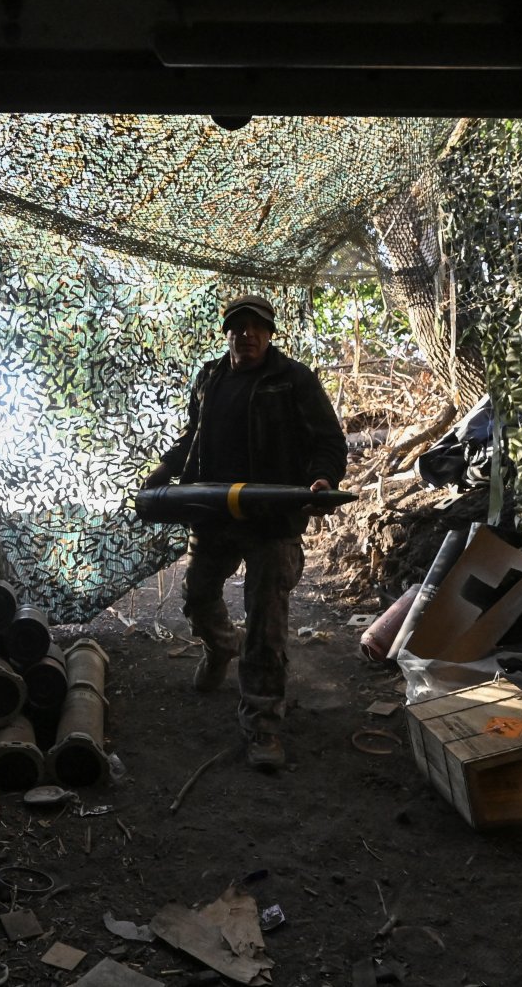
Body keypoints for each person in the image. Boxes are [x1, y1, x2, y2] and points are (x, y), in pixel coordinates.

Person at [142, 294, 347, 771]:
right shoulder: (210, 378)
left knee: (265, 619)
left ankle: (263, 722)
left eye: (257, 327)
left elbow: (328, 440)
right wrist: (165, 471)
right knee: (197, 594)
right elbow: (193, 434)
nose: (247, 335)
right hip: (215, 513)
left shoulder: (293, 379)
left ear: (270, 333)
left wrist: (323, 479)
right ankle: (220, 647)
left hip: (270, 521)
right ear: (226, 333)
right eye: (238, 327)